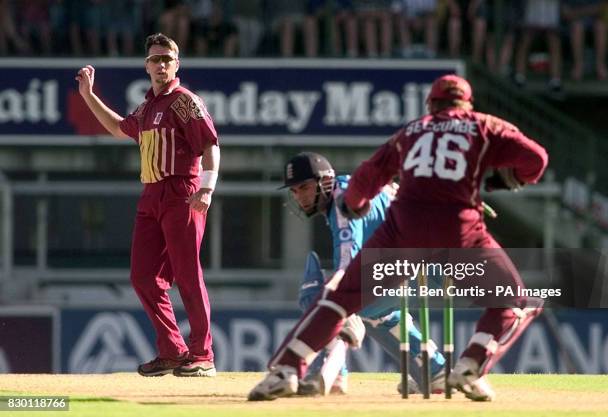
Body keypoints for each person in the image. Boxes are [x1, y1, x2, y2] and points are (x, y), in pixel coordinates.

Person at [248, 74, 548, 401]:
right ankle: (468, 365)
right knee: (514, 299)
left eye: (303, 188)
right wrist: (510, 179)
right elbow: (537, 160)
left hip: (404, 230)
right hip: (457, 229)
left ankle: (288, 368)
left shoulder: (411, 131)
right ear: (467, 103)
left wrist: (354, 205)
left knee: (338, 297)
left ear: (430, 104)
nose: (300, 196)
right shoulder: (484, 125)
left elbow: (368, 175)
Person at [75, 32, 220, 377]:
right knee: (143, 277)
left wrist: (207, 187)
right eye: (155, 59)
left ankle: (202, 355)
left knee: (187, 275)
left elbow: (211, 145)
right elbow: (118, 129)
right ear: (146, 65)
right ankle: (172, 350)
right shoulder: (149, 105)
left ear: (176, 65)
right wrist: (88, 96)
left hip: (181, 191)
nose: (160, 65)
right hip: (151, 194)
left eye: (166, 59)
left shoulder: (185, 101)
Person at [266, 152, 448, 397]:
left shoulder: (343, 203)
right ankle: (434, 371)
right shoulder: (350, 186)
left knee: (320, 296)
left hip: (427, 264)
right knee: (378, 314)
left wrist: (341, 309)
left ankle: (334, 372)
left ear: (325, 181)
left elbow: (348, 264)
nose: (300, 197)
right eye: (295, 191)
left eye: (305, 187)